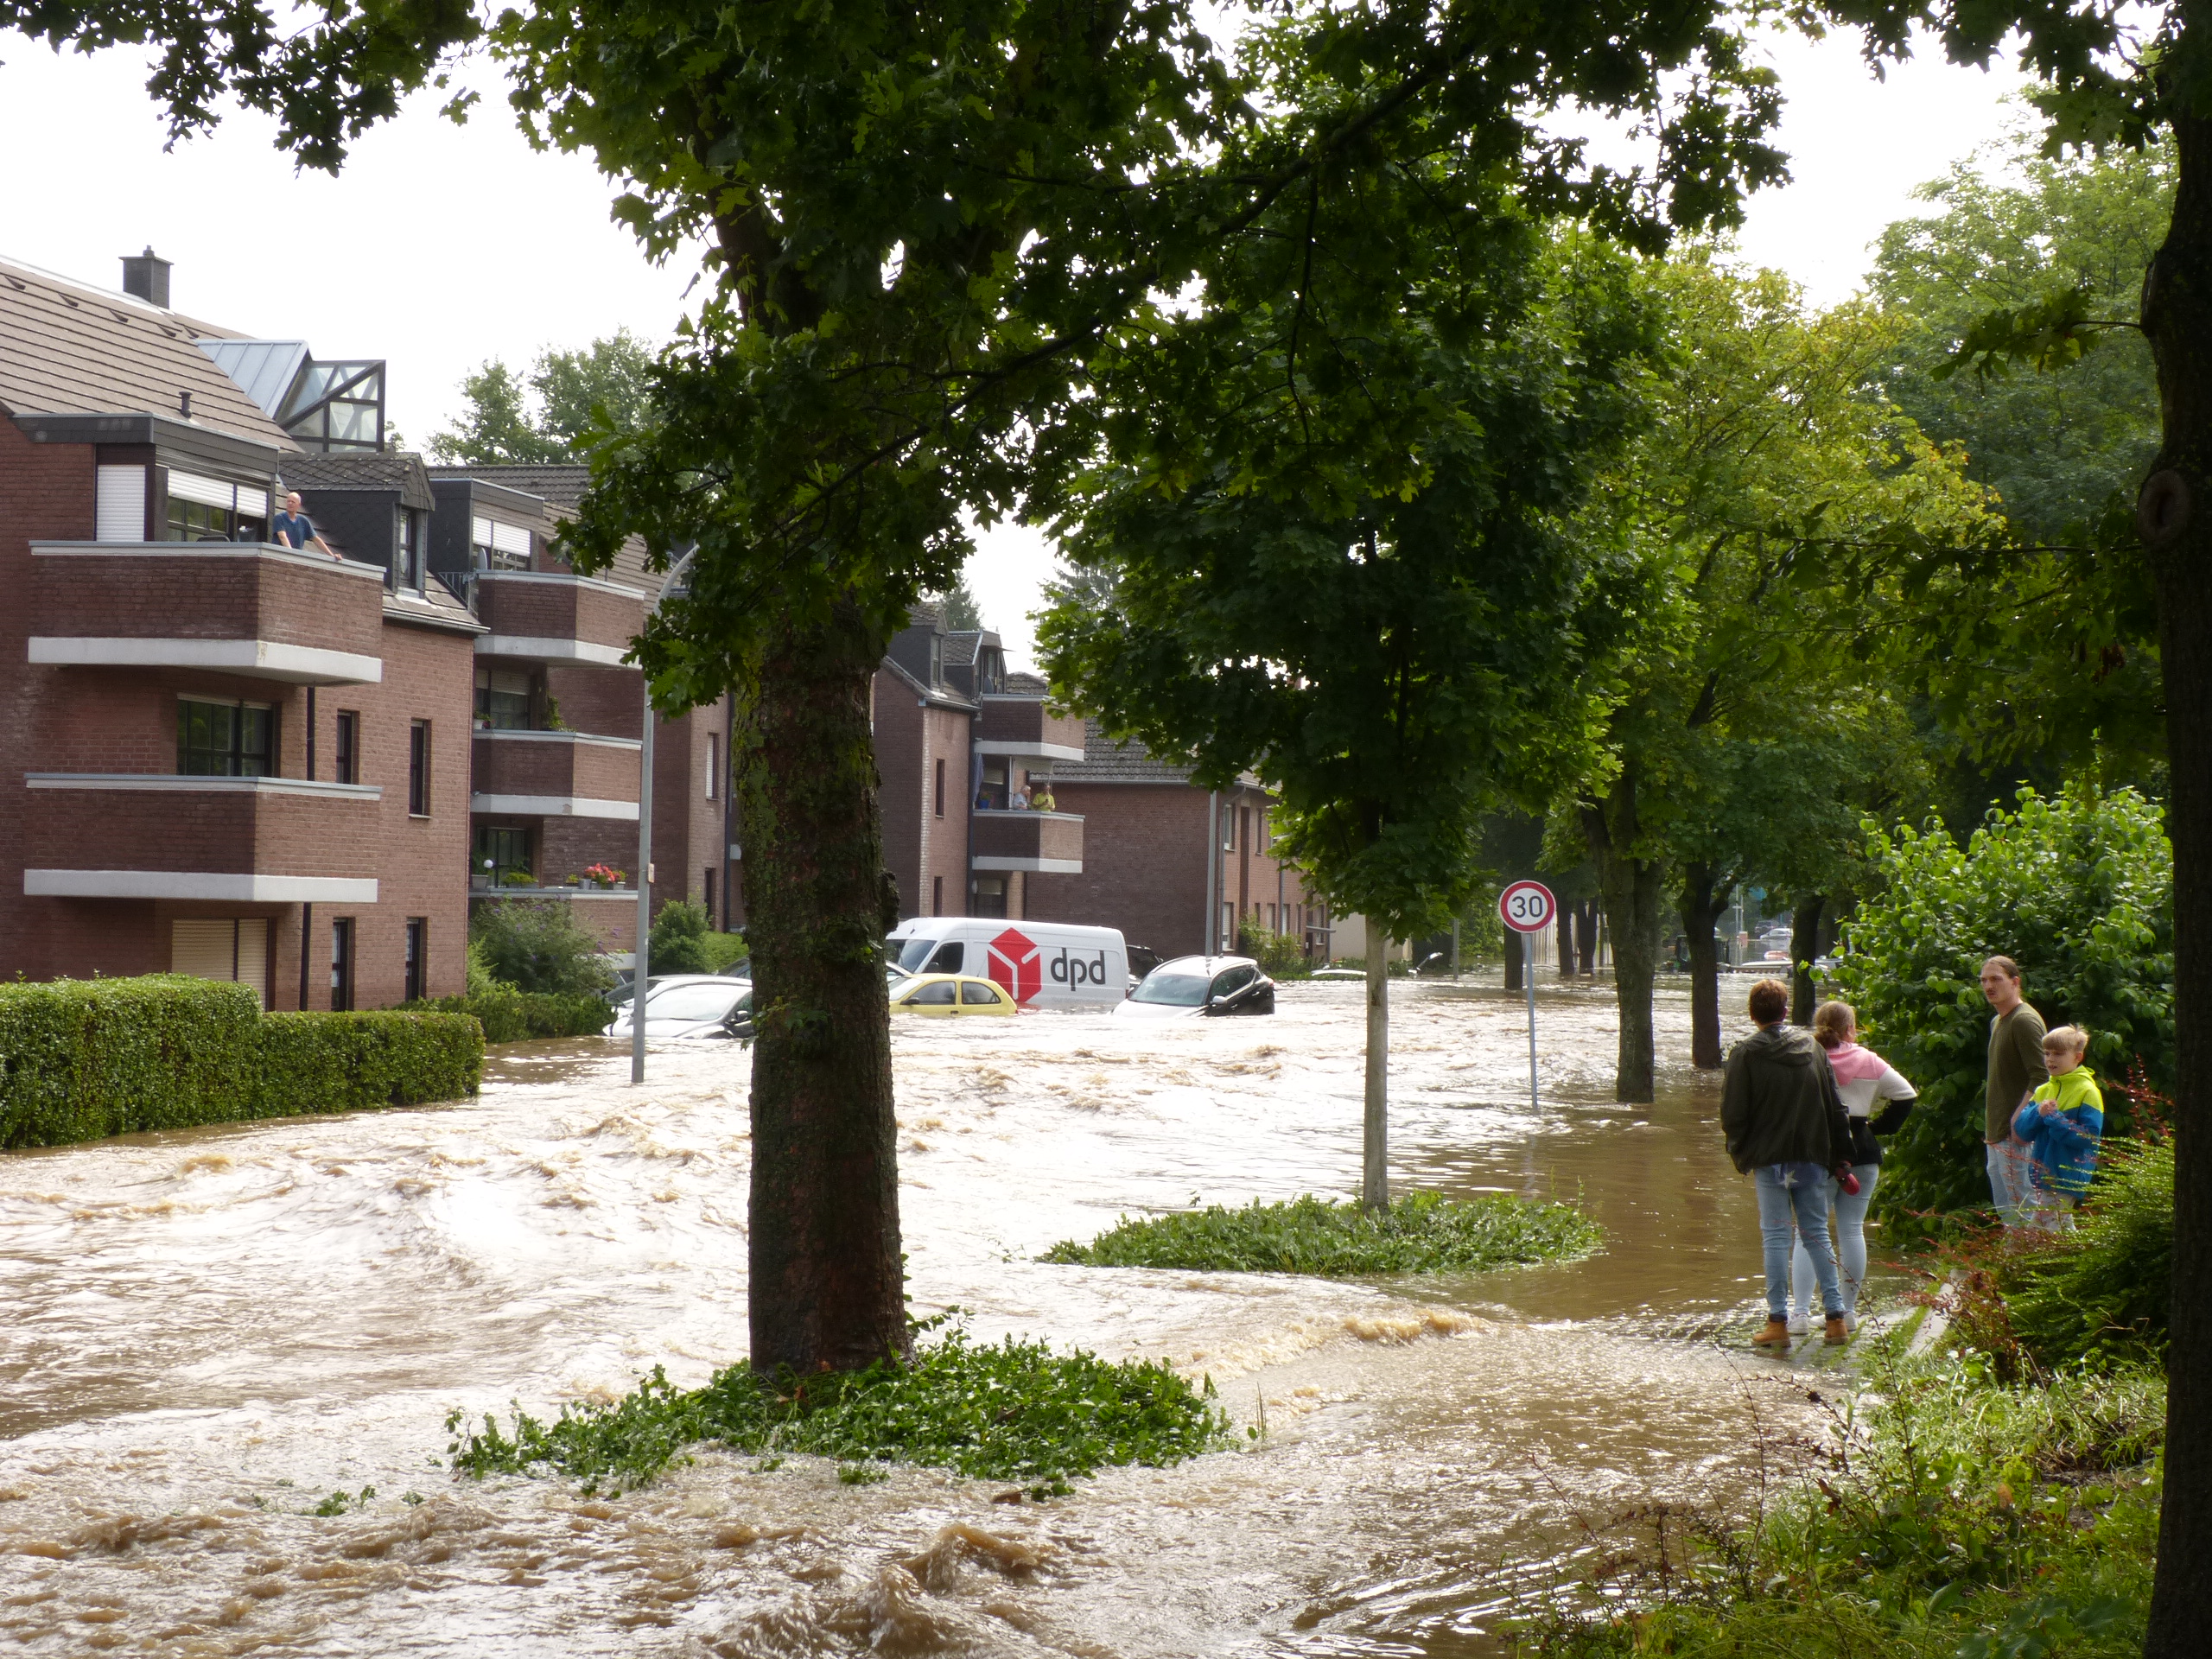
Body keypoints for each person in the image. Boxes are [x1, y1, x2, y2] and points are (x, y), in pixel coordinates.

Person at [1722, 977, 1855, 1348]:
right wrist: (1841, 1157)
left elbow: (1733, 1112)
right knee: (1816, 1236)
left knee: (1776, 1239)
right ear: (1785, 1011)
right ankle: (1836, 1321)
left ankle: (1778, 1324)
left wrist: (1741, 1154)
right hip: (1812, 1158)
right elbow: (1835, 1106)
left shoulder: (1745, 1054)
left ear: (1753, 1014)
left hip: (1769, 1161)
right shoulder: (1813, 1049)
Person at [1789, 1001, 1917, 1332]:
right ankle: (1847, 1312)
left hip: (1818, 1151)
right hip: (1861, 1148)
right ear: (1851, 1028)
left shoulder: (1806, 1056)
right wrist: (1880, 1127)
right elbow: (1906, 1095)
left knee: (1808, 1235)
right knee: (1851, 1230)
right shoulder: (1868, 1060)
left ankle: (1800, 1315)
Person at [2011, 1026, 2103, 1230]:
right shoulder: (2043, 1090)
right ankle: (2080, 1259)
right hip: (2044, 1173)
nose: (2051, 1059)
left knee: (2044, 1227)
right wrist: (2039, 1114)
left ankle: (2030, 1259)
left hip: (2068, 1174)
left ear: (2077, 1057)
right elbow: (2022, 1131)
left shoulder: (2088, 1091)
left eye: (2059, 1054)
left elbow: (2088, 1137)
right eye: (2047, 1053)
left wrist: (2053, 1118)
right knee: (2057, 1226)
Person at [1980, 957, 2049, 1225]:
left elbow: (2042, 1075)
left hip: (2017, 1133)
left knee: (2026, 1208)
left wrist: (2019, 1120)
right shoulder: (1998, 1022)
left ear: (2015, 982)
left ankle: (2036, 1263)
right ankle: (2013, 1265)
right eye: (1984, 980)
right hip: (1997, 1131)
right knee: (2008, 1212)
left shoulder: (2024, 1020)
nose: (1988, 985)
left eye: (1996, 979)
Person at [270, 492, 338, 560]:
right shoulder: (279, 518)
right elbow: (283, 537)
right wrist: (290, 554)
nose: (290, 503)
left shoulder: (303, 521)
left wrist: (332, 556)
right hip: (279, 557)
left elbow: (316, 539)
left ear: (298, 505)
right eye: (288, 501)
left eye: (293, 502)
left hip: (295, 558)